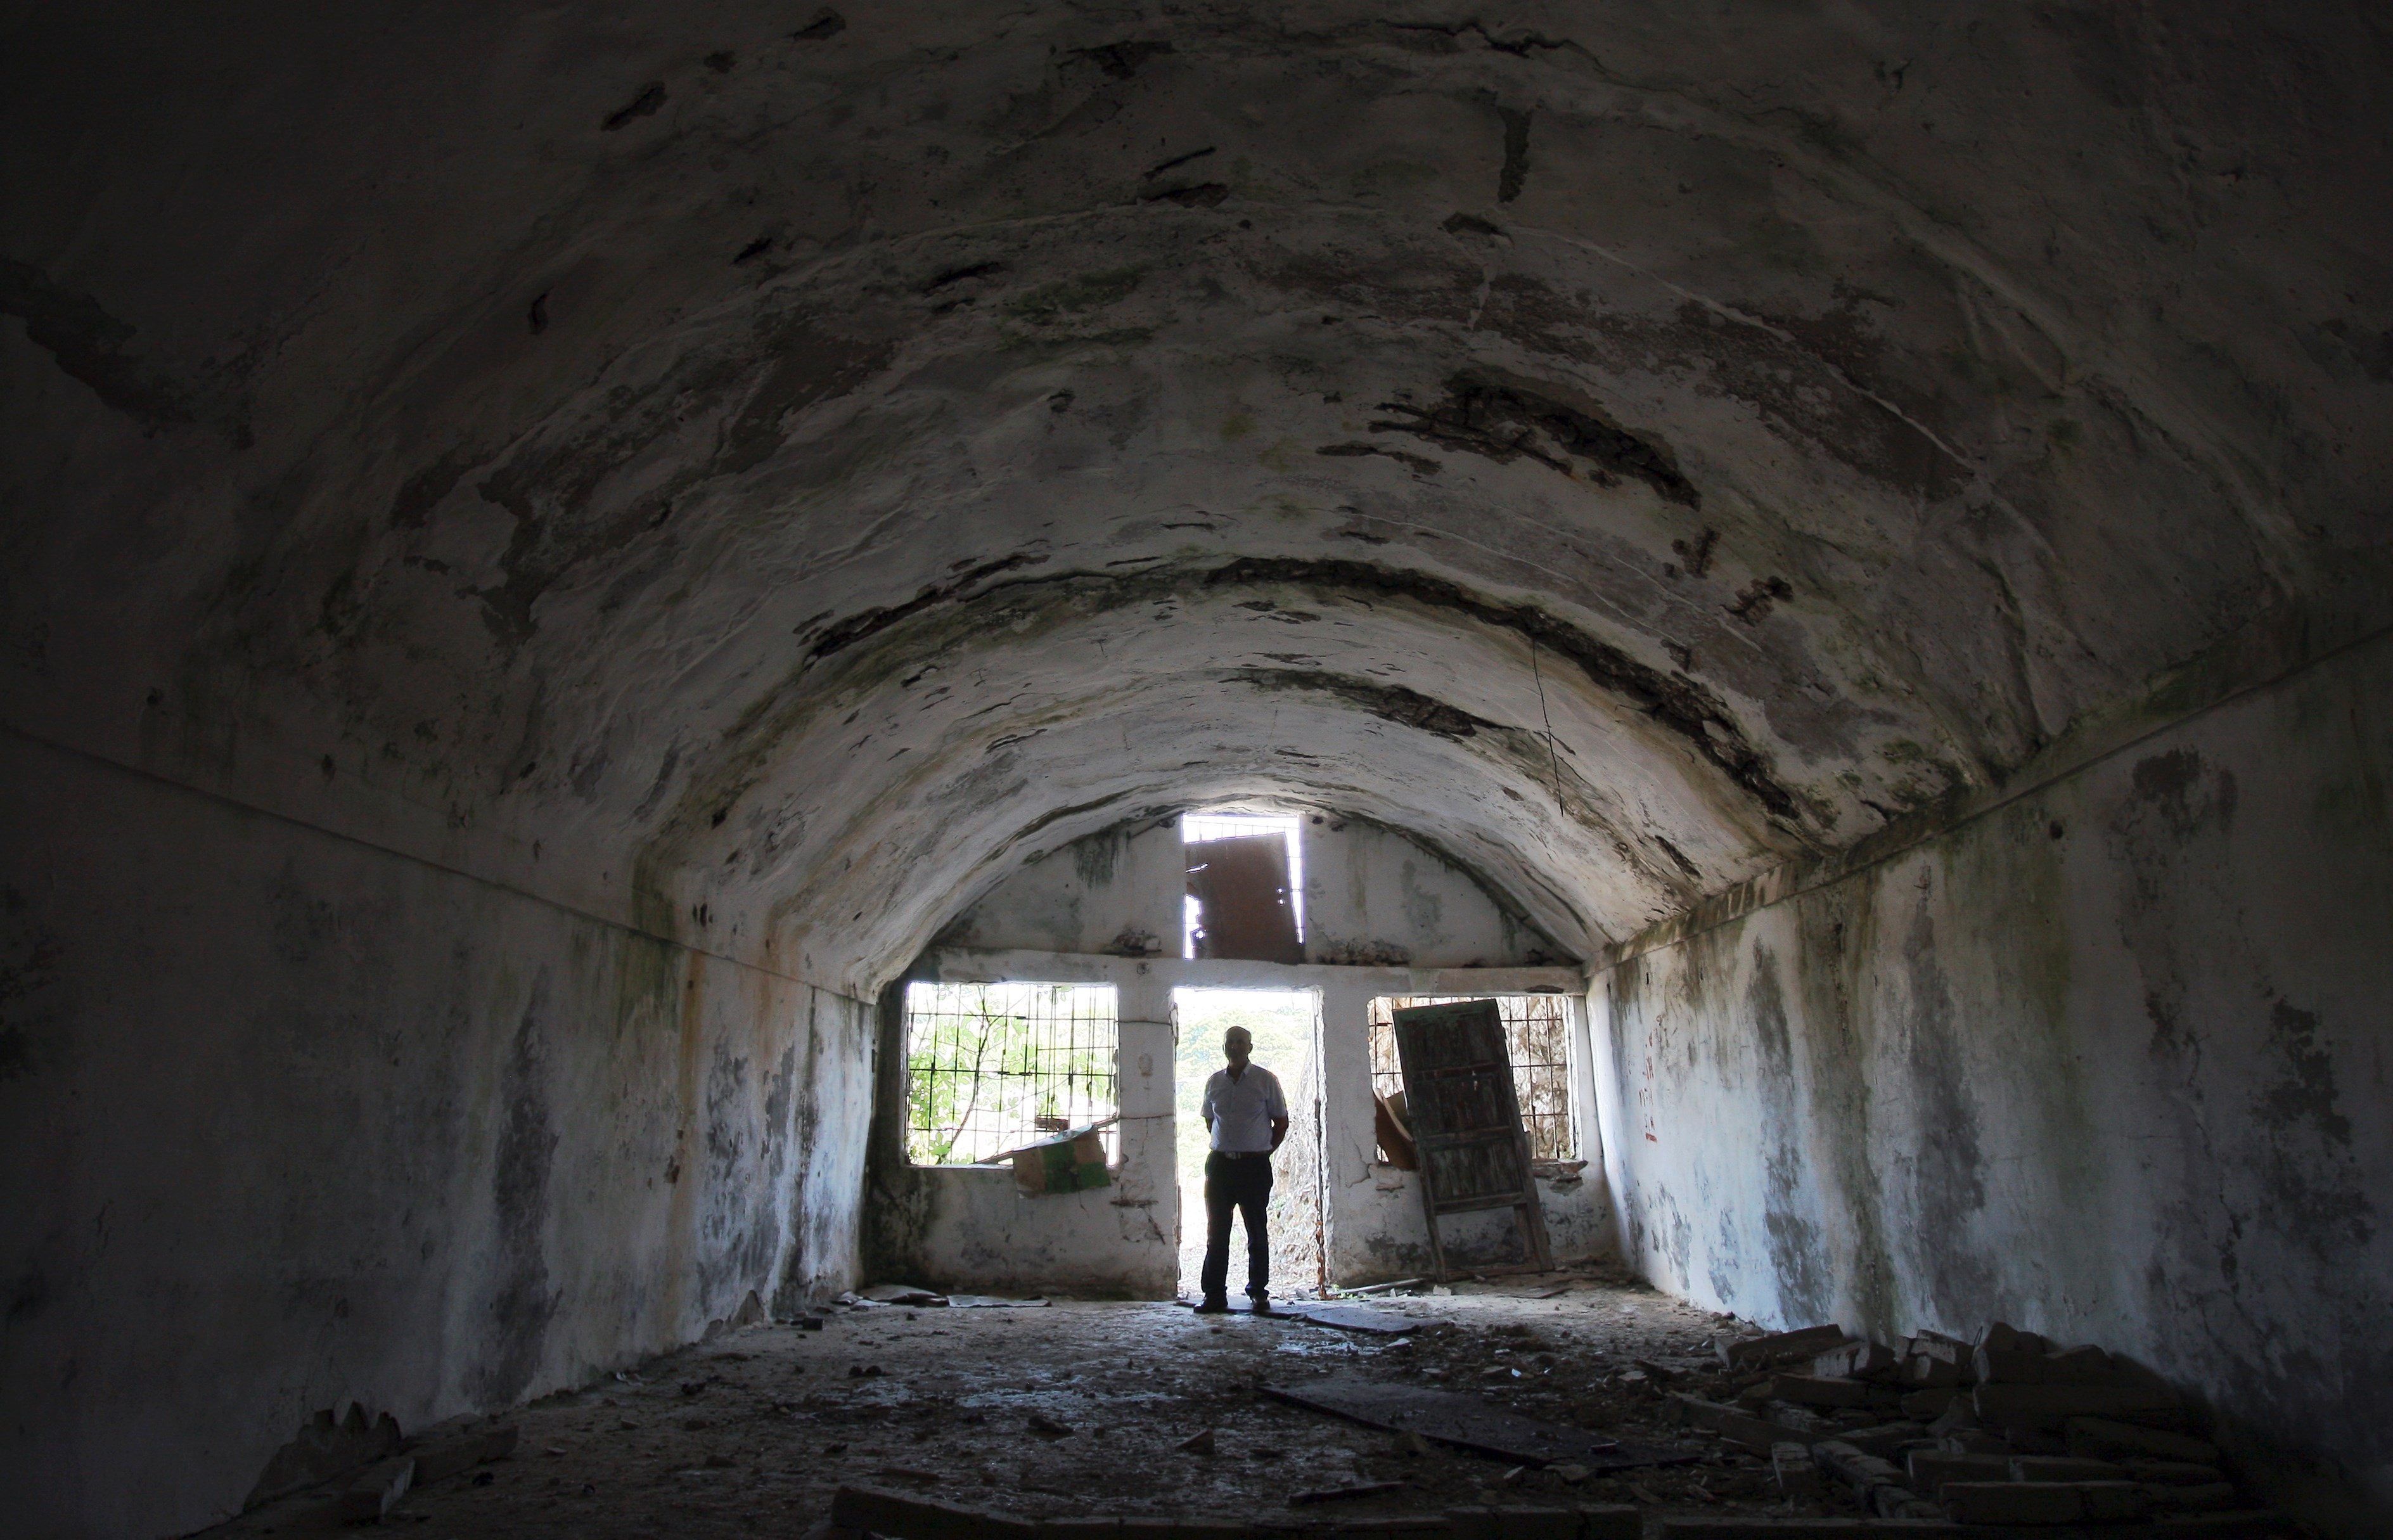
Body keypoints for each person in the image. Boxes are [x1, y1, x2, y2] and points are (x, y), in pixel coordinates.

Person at [1195, 1024, 1289, 1313]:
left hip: (1254, 1167)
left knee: (1256, 1232)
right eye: (1229, 1042)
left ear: (1250, 1047)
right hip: (1221, 1166)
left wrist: (1262, 1150)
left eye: (1240, 1042)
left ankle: (1258, 1293)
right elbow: (1210, 1121)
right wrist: (1229, 1145)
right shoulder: (1214, 1082)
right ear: (1224, 1047)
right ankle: (1214, 1296)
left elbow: (1281, 1123)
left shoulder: (1265, 1080)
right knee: (1217, 1233)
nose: (1234, 1047)